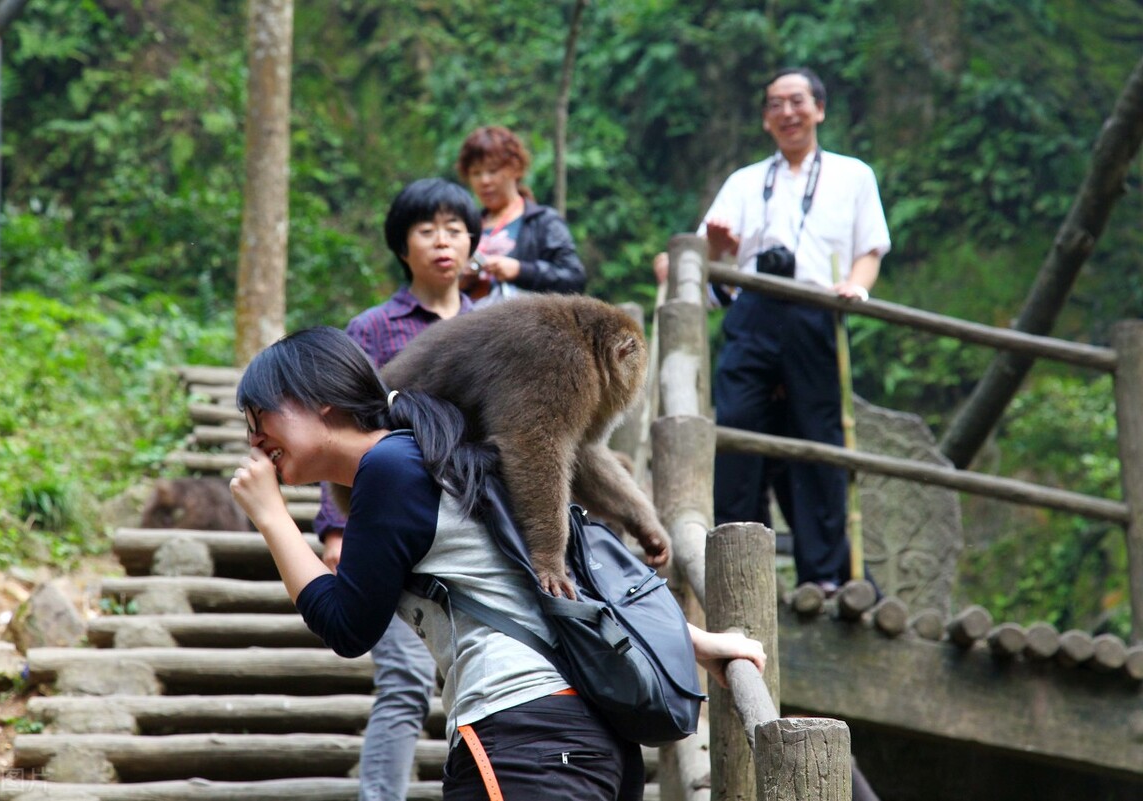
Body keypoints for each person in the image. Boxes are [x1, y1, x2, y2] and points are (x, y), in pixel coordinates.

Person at [230, 326, 767, 800]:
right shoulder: (437, 457)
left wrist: (273, 519)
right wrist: (695, 641)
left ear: (317, 399)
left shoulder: (392, 467)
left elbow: (348, 627)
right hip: (582, 742)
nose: (254, 440)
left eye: (261, 418)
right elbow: (545, 590)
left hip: (525, 739)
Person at [312, 177, 479, 801]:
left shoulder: (491, 326)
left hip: (465, 534)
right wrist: (335, 526)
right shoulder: (373, 329)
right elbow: (337, 429)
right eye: (426, 230)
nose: (443, 242)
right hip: (382, 529)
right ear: (401, 246)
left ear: (473, 244)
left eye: (455, 230)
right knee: (407, 679)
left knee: (473, 681)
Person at [699, 67, 891, 593]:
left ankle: (825, 575)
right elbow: (706, 265)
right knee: (736, 430)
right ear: (765, 119)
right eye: (775, 104)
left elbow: (869, 248)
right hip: (754, 309)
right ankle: (736, 567)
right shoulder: (743, 182)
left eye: (797, 101)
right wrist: (716, 246)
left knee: (818, 435)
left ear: (819, 109)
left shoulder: (853, 175)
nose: (787, 112)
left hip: (815, 309)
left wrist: (855, 287)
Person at [456, 125, 586, 305]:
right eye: (476, 173)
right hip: (471, 325)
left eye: (493, 170)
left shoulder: (544, 221)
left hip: (526, 327)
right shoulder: (466, 227)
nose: (484, 181)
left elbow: (574, 279)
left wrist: (521, 271)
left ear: (515, 169)